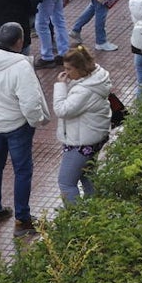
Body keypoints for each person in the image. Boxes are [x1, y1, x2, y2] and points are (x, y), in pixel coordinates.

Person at [0, 21, 50, 235]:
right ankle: (22, 220)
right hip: (17, 126)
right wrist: (37, 121)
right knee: (22, 170)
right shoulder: (21, 66)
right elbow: (30, 103)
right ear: (20, 41)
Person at [53, 44, 112, 204]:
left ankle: (77, 219)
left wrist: (60, 86)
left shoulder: (84, 90)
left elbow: (62, 110)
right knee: (87, 176)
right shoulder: (95, 77)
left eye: (69, 69)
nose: (66, 73)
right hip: (93, 136)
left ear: (81, 68)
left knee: (66, 182)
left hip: (81, 142)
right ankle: (96, 210)